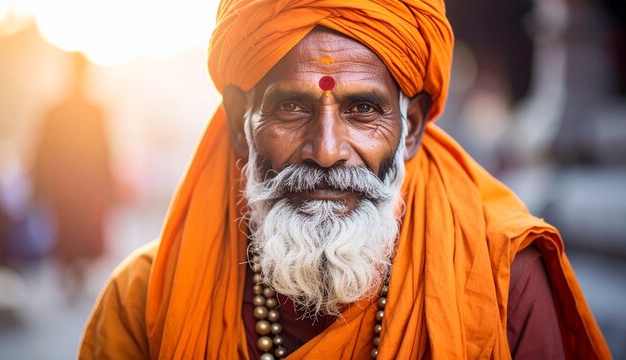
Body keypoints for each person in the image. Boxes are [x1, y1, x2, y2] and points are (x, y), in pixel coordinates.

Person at [79, 1, 610, 359]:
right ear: (242, 125)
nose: (328, 151)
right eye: (291, 107)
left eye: (362, 109)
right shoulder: (146, 299)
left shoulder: (504, 280)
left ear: (412, 129)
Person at [33, 52, 113, 297]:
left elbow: (104, 151)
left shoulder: (88, 111)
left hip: (79, 188)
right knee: (69, 233)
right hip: (69, 188)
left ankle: (75, 273)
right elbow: (43, 150)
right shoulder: (68, 111)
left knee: (78, 234)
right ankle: (72, 273)